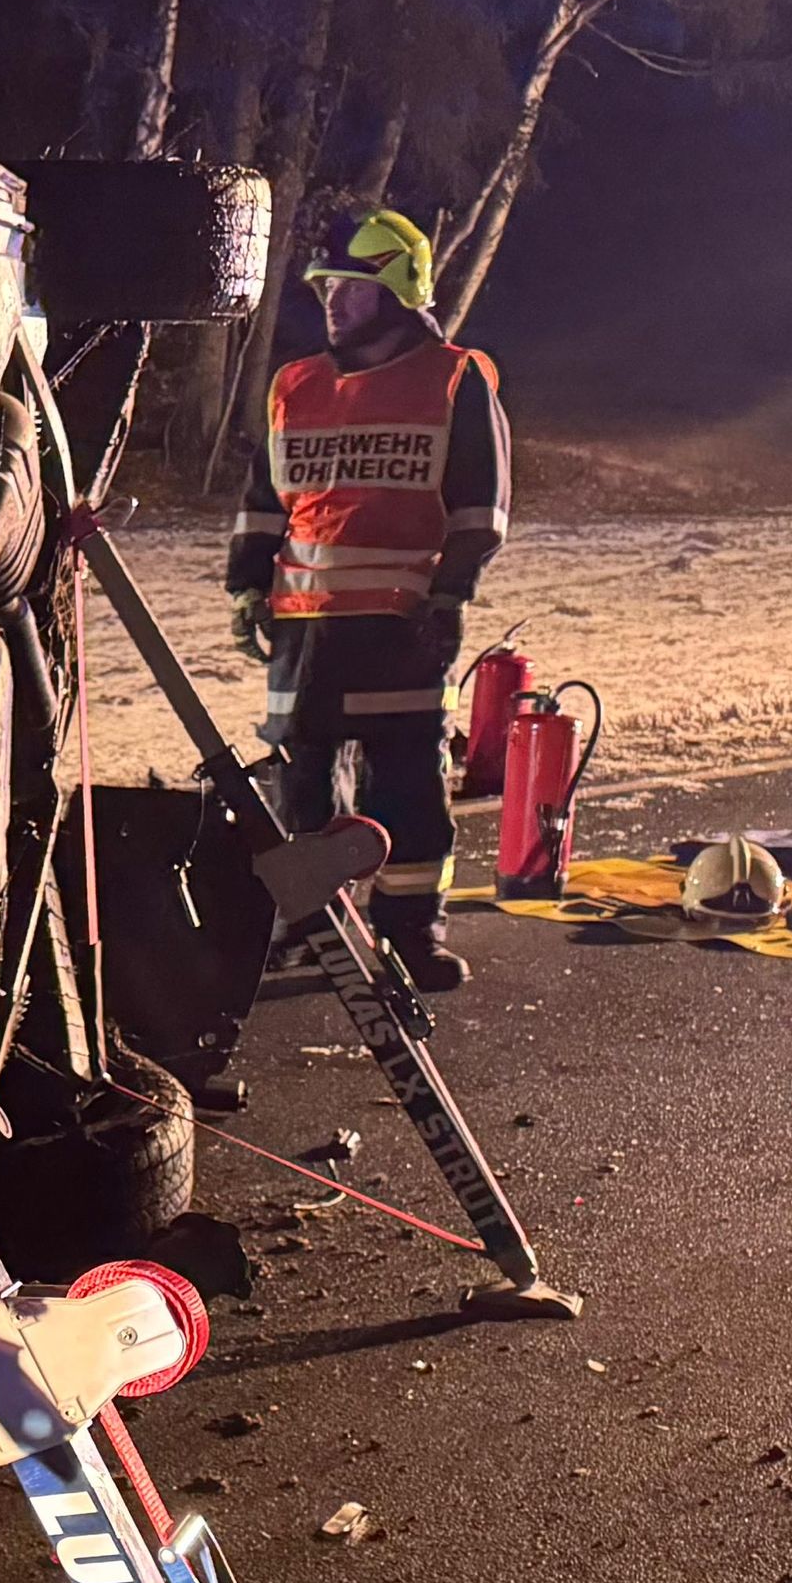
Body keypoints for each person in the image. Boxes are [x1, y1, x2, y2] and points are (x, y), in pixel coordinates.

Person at [227, 205, 509, 993]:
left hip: (400, 628)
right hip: (302, 631)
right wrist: (247, 587)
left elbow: (479, 511)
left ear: (399, 290)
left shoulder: (453, 378)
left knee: (407, 789)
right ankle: (308, 928)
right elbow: (264, 504)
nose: (333, 303)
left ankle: (411, 936)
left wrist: (447, 600)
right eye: (326, 289)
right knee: (301, 790)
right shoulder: (296, 385)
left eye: (351, 288)